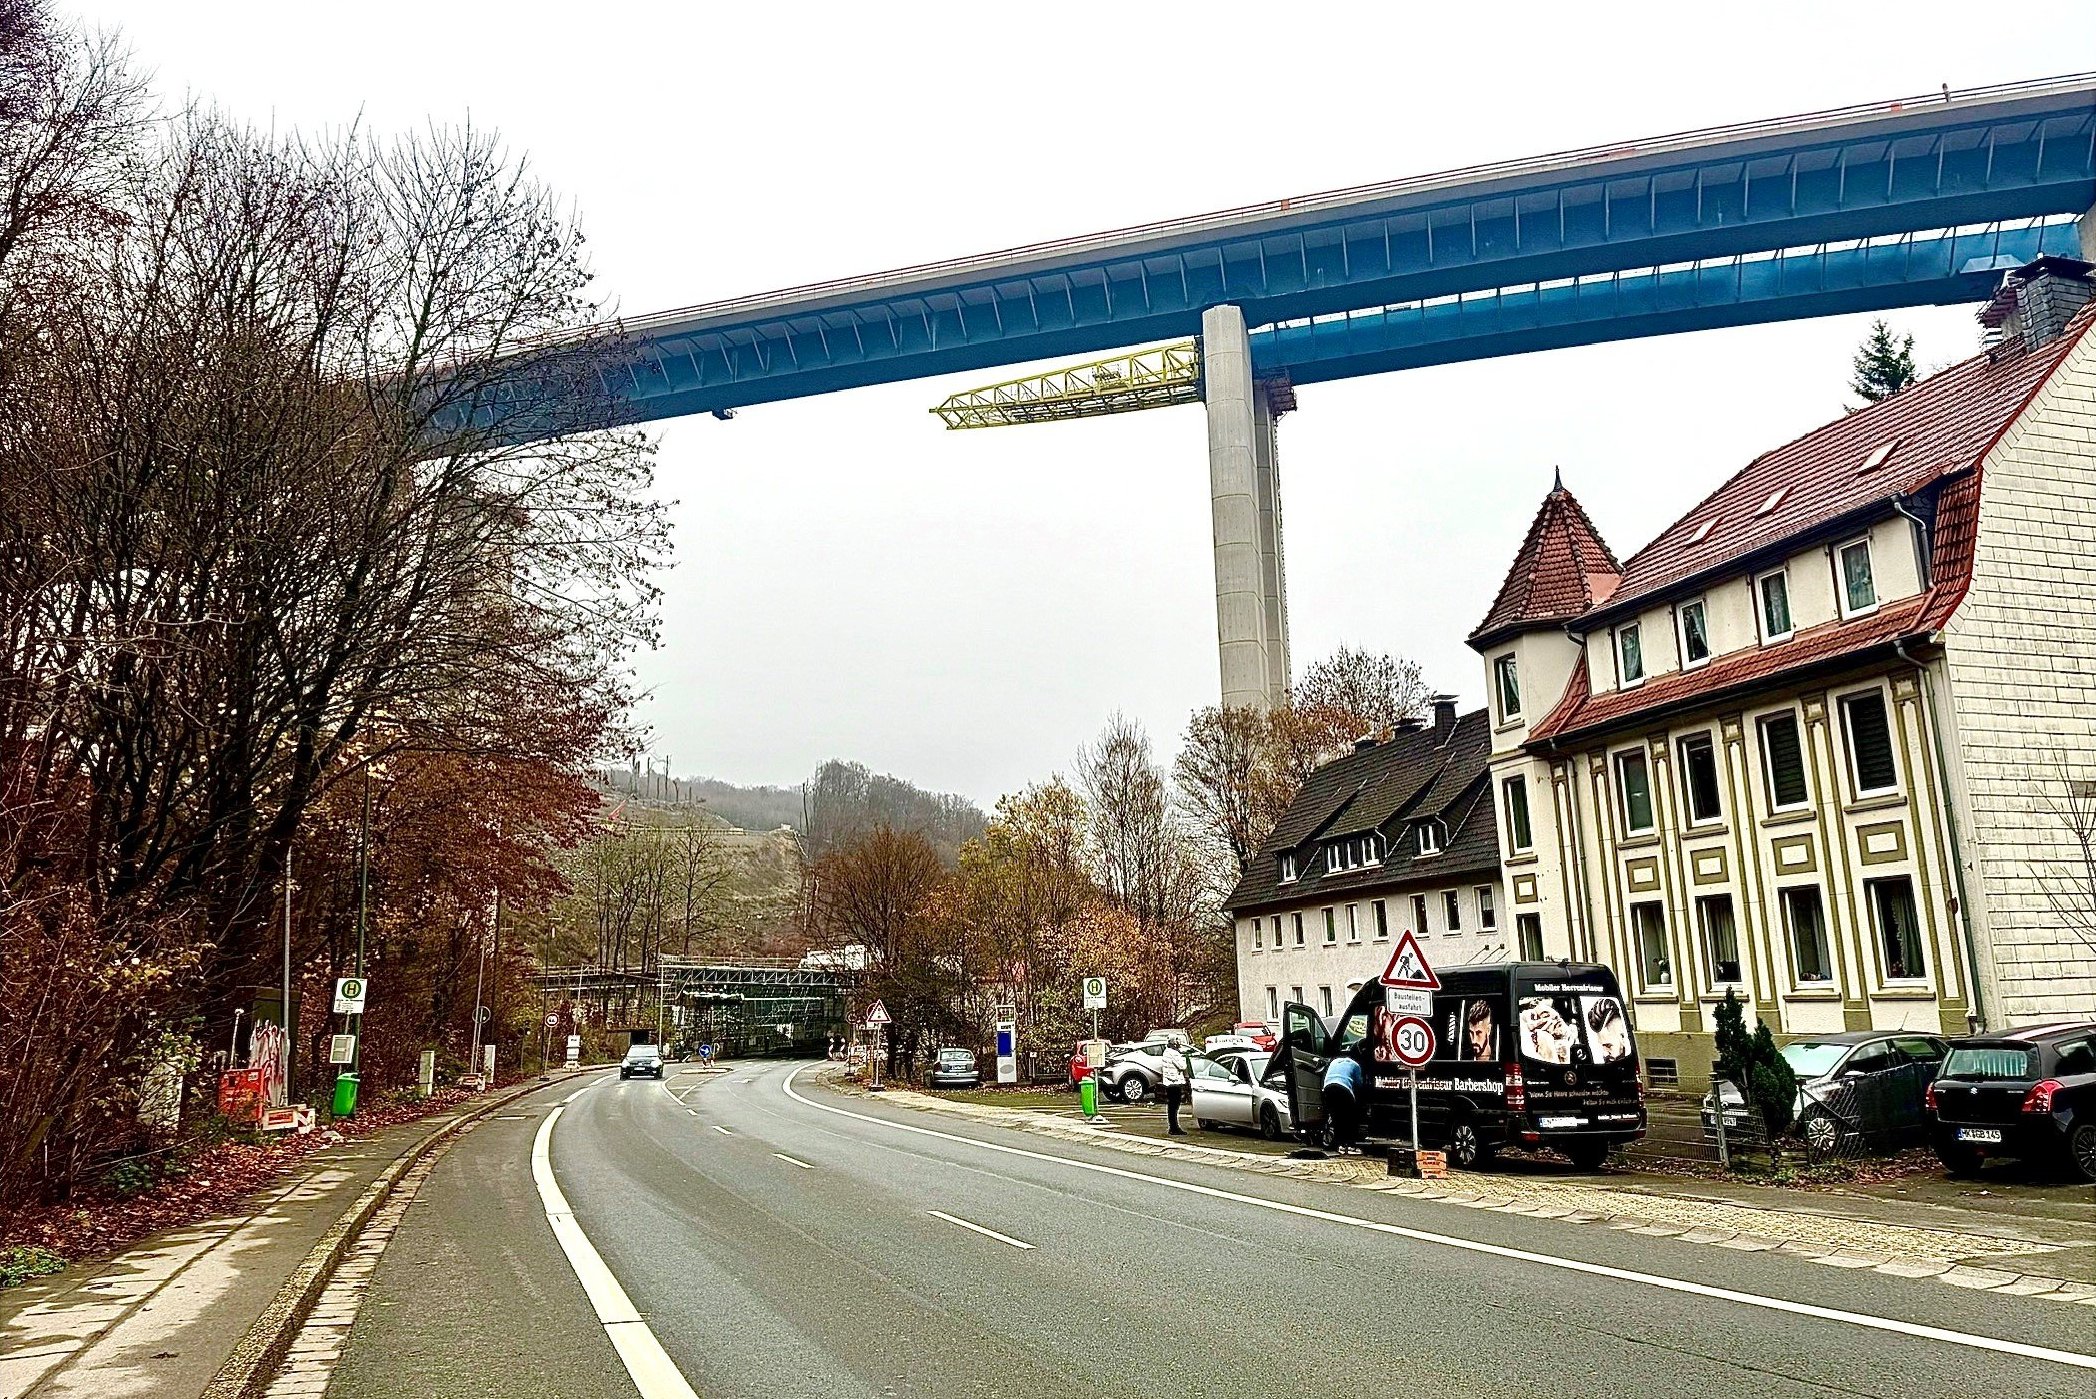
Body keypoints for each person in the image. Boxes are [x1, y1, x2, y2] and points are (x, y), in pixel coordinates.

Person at [1159, 1036, 1191, 1135]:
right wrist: (1183, 1057)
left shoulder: (1166, 1052)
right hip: (1174, 1081)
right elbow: (1182, 1066)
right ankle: (1174, 1128)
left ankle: (1172, 1126)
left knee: (1171, 1106)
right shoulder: (1174, 1053)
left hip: (1168, 1081)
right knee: (1175, 1105)